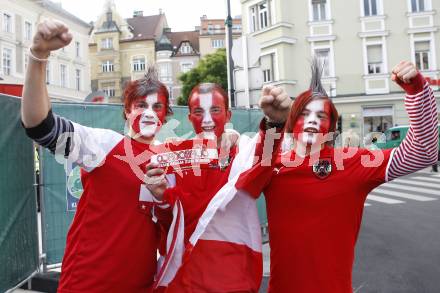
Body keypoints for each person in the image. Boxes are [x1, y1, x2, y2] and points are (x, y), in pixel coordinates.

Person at [236, 59, 439, 292]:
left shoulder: (351, 162)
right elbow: (247, 187)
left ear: (332, 128)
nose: (312, 120)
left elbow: (423, 153)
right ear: (292, 122)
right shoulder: (273, 165)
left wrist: (417, 92)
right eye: (304, 113)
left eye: (321, 116)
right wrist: (274, 124)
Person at [21, 19, 172, 293]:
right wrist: (38, 56)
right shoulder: (103, 145)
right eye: (140, 105)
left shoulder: (169, 159)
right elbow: (40, 126)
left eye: (158, 106)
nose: (149, 113)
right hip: (88, 285)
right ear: (126, 111)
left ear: (166, 115)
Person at [145, 83, 287, 292]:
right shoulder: (172, 155)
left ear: (228, 115)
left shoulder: (242, 152)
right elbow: (168, 225)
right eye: (198, 112)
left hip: (231, 280)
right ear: (189, 117)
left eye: (215, 110)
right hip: (184, 280)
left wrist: (275, 123)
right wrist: (161, 200)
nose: (208, 120)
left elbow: (263, 159)